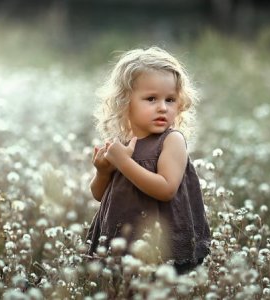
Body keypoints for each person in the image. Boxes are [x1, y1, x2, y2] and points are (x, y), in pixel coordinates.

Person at [86, 46, 210, 274]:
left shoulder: (172, 141)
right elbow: (99, 195)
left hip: (162, 246)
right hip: (122, 242)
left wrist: (124, 163)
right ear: (124, 102)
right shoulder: (121, 144)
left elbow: (166, 189)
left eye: (170, 100)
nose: (163, 107)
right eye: (151, 99)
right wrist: (102, 172)